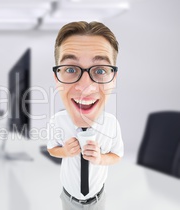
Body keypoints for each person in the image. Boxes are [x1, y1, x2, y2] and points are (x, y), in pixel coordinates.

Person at [47, 21, 124, 210]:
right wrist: (64, 152)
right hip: (68, 199)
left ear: (113, 78)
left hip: (98, 200)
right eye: (71, 69)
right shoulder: (57, 121)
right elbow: (51, 149)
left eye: (100, 70)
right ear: (57, 78)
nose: (85, 87)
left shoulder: (111, 124)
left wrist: (100, 159)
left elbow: (117, 155)